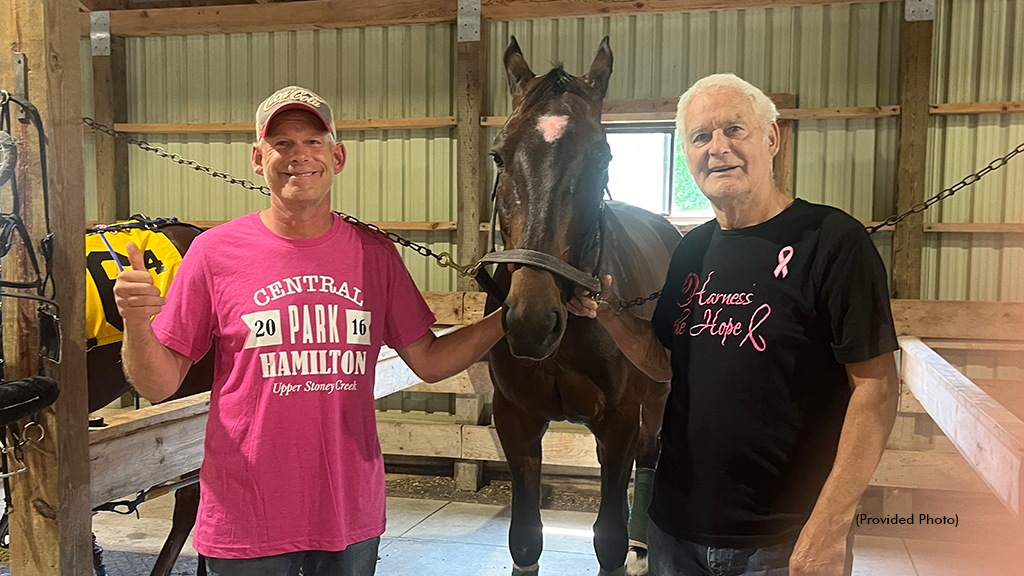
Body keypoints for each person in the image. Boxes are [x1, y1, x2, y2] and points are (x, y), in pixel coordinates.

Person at [113, 86, 504, 576]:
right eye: (281, 144)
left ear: (336, 156)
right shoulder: (214, 254)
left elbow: (430, 361)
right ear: (258, 159)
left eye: (313, 142)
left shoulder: (375, 255)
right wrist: (135, 323)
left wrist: (508, 318)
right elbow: (158, 383)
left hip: (348, 513)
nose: (298, 155)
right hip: (247, 515)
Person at [569, 74, 900, 576]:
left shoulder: (832, 241)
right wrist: (611, 314)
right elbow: (663, 363)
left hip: (784, 538)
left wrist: (829, 527)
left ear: (771, 138)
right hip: (676, 531)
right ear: (688, 155)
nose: (717, 148)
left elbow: (875, 389)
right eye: (701, 137)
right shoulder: (692, 251)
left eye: (734, 130)